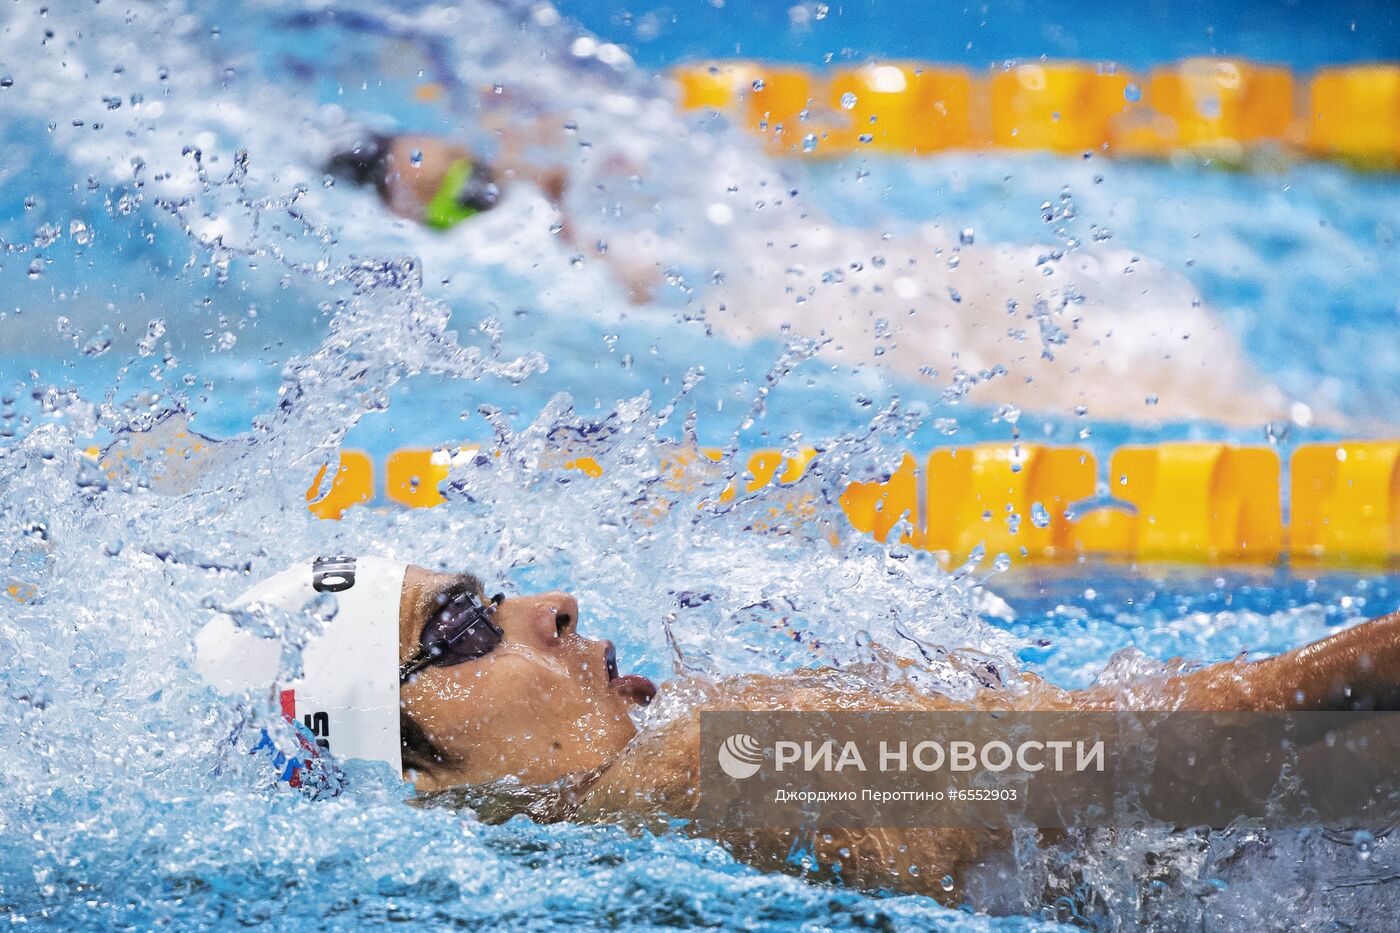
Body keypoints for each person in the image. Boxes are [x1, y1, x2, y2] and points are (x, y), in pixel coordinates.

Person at [198, 556, 1400, 905]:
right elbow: (1162, 746)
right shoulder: (709, 764)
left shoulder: (601, 849)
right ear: (402, 771)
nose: (546, 603)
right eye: (463, 624)